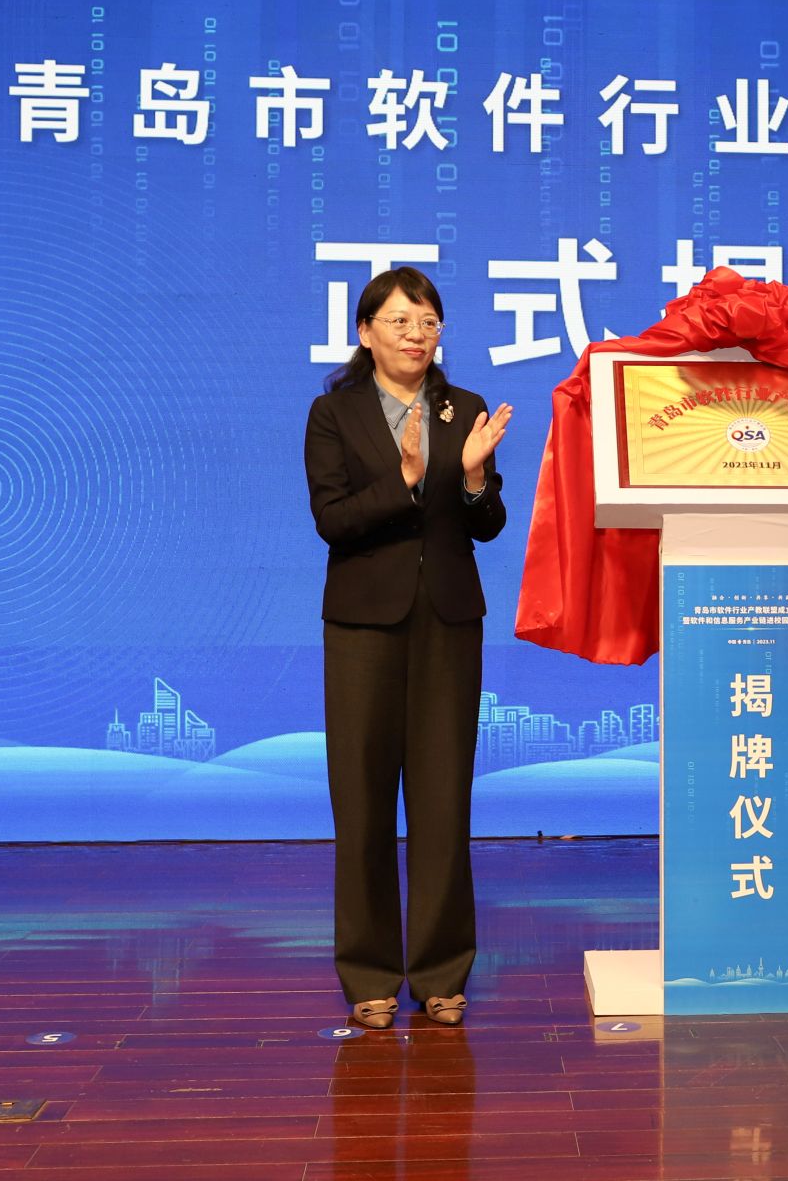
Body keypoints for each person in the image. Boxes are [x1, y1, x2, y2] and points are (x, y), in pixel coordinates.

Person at [304, 266, 512, 1029]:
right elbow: (333, 519)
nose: (416, 335)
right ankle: (369, 974)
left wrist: (473, 478)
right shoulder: (334, 413)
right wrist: (406, 478)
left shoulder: (465, 409)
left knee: (442, 799)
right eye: (400, 321)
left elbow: (487, 524)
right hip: (363, 625)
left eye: (428, 322)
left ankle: (441, 972)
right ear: (366, 332)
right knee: (362, 802)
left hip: (448, 622)